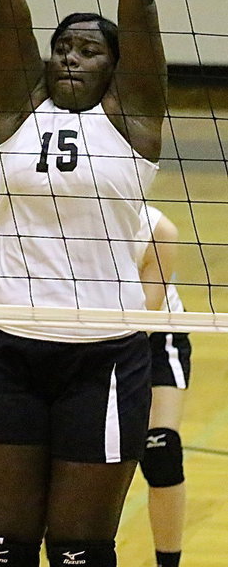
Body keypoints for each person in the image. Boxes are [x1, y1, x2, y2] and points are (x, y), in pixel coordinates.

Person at [0, 0, 167, 567]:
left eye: (87, 52)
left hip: (103, 358)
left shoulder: (133, 123)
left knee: (78, 549)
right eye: (61, 49)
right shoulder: (18, 110)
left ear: (117, 71)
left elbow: (137, 6)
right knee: (1, 547)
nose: (69, 60)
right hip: (8, 350)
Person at [136, 205, 190, 567]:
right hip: (76, 335)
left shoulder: (152, 227)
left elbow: (140, 323)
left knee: (160, 448)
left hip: (151, 338)